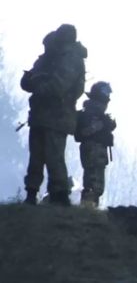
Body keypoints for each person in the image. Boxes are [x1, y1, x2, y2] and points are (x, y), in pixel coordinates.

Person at [20, 24, 87, 206]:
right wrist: (29, 81)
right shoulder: (50, 57)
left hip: (58, 116)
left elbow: (59, 85)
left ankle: (59, 196)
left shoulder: (72, 58)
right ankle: (31, 193)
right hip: (40, 115)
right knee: (36, 157)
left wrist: (39, 84)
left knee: (54, 157)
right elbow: (32, 79)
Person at [74, 81, 116, 207]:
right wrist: (102, 125)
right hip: (94, 150)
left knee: (95, 184)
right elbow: (84, 132)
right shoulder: (91, 113)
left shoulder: (95, 113)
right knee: (93, 184)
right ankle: (88, 210)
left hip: (95, 150)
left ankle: (90, 209)